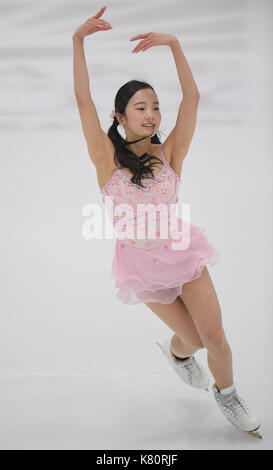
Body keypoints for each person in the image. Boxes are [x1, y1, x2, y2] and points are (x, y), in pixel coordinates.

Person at [72, 6, 262, 440]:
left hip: (181, 250)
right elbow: (83, 101)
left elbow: (192, 100)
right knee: (192, 339)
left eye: (155, 106)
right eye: (140, 107)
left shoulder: (170, 153)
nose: (152, 114)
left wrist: (175, 44)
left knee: (215, 336)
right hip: (140, 265)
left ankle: (228, 393)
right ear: (119, 118)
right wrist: (77, 42)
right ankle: (178, 356)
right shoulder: (106, 161)